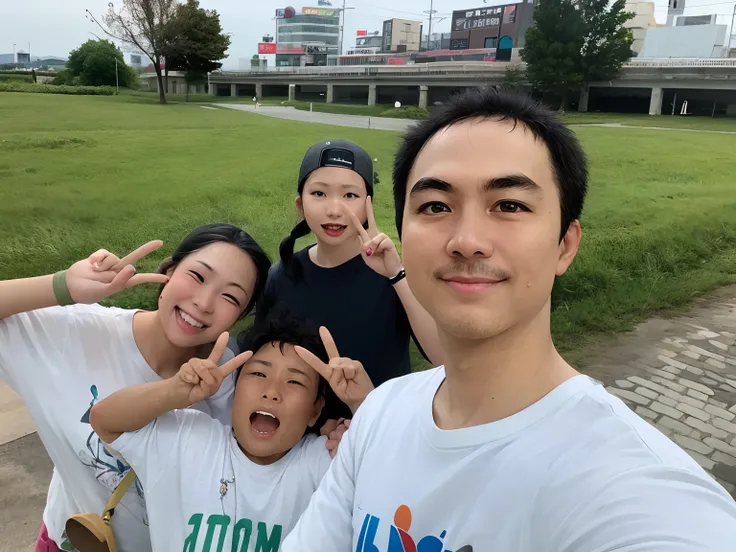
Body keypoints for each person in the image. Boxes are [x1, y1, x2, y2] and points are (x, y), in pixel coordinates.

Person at [281, 89, 736, 550]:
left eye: (510, 205)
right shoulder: (380, 414)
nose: (467, 240)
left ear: (565, 244)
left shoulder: (640, 493)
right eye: (435, 206)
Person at [0, 223, 271, 552]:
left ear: (243, 314)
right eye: (198, 276)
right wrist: (63, 287)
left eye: (230, 296)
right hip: (70, 541)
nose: (204, 302)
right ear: (169, 269)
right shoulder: (78, 333)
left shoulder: (237, 386)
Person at [90, 309, 373, 552]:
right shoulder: (188, 438)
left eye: (295, 382)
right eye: (259, 373)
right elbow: (104, 420)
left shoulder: (323, 463)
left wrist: (362, 406)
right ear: (235, 392)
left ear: (315, 410)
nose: (272, 391)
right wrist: (173, 392)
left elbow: (396, 477)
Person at [259, 138, 443, 422]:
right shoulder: (282, 275)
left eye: (350, 196)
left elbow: (441, 355)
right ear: (300, 204)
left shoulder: (393, 272)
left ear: (368, 204)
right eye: (319, 193)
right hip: (300, 434)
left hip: (379, 425)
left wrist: (397, 275)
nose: (334, 209)